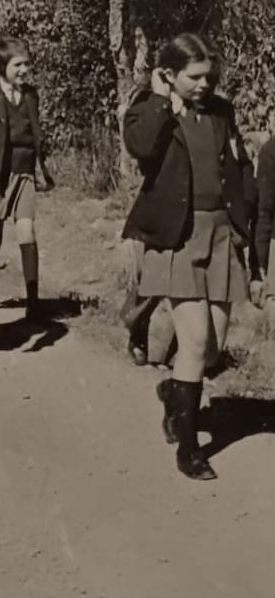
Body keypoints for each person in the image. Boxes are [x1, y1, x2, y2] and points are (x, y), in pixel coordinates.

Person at [125, 33, 253, 481]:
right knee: (195, 341)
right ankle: (189, 447)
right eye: (193, 77)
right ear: (169, 75)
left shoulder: (221, 111)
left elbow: (238, 169)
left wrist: (245, 229)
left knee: (212, 347)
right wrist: (164, 103)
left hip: (220, 235)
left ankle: (174, 396)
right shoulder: (149, 109)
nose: (204, 85)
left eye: (209, 77)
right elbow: (140, 148)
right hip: (177, 236)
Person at [0, 37, 55, 319]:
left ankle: (33, 302)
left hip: (24, 172)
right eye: (18, 65)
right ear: (2, 65)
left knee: (26, 231)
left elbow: (34, 131)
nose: (24, 70)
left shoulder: (30, 93)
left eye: (27, 64)